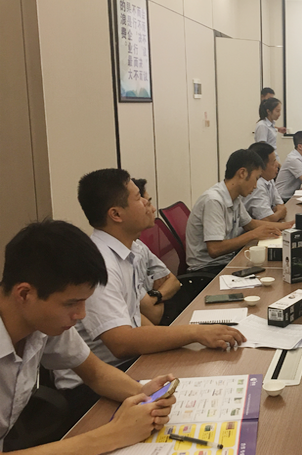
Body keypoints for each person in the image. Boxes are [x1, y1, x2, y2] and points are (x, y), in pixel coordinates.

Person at [53, 169, 246, 397]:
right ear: (116, 214)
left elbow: (135, 318)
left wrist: (183, 338)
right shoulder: (101, 263)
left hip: (127, 365)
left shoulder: (130, 250)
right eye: (139, 198)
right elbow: (121, 343)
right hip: (94, 384)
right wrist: (194, 333)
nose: (148, 204)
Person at [0, 220, 176, 453]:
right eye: (71, 303)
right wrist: (113, 434)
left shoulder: (43, 323)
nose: (81, 314)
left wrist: (143, 395)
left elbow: (95, 373)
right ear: (24, 294)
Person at [187, 149, 291, 273]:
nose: (255, 186)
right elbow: (215, 249)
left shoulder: (234, 197)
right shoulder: (214, 200)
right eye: (256, 178)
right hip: (208, 270)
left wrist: (288, 226)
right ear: (242, 173)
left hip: (227, 260)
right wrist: (253, 235)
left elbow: (250, 224)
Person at [131, 178, 182, 325]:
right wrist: (162, 295)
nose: (153, 209)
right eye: (147, 204)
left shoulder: (138, 245)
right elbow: (154, 316)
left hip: (166, 315)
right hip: (157, 325)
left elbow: (174, 282)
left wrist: (155, 296)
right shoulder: (115, 260)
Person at [245, 142, 288, 222]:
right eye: (273, 162)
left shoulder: (268, 179)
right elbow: (267, 219)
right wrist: (278, 213)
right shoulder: (257, 185)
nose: (277, 165)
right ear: (261, 167)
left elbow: (281, 206)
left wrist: (276, 213)